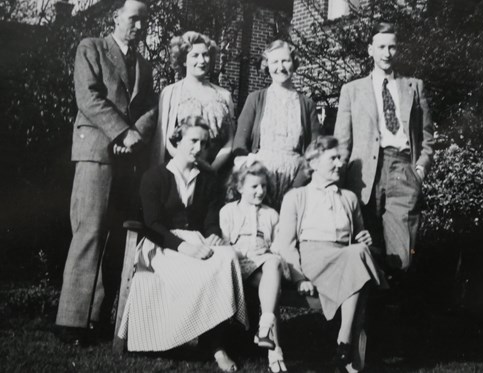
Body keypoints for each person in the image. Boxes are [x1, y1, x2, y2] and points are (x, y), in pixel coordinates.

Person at [56, 0, 157, 345]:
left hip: (128, 158)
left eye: (144, 21)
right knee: (89, 232)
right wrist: (121, 132)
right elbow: (89, 97)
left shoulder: (146, 64)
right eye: (134, 19)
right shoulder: (92, 48)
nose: (139, 27)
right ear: (115, 17)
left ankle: (97, 318)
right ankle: (71, 322)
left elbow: (150, 108)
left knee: (116, 241)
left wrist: (135, 138)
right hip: (96, 153)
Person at [117, 118, 247, 373]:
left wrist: (212, 236)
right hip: (162, 244)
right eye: (193, 141)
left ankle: (219, 338)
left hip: (196, 239)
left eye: (204, 143)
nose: (199, 148)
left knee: (228, 256)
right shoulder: (154, 176)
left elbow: (211, 220)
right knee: (203, 270)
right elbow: (152, 223)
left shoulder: (208, 179)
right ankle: (215, 347)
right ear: (177, 141)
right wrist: (182, 247)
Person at [275, 136, 385, 373]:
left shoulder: (349, 198)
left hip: (345, 257)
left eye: (341, 159)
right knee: (358, 259)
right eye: (333, 158)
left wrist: (363, 236)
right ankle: (347, 344)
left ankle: (343, 345)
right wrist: (299, 277)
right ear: (313, 163)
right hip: (314, 260)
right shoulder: (296, 197)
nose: (339, 164)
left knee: (359, 252)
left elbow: (357, 235)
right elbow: (286, 244)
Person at [333, 21, 434, 275]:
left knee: (402, 256)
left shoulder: (414, 86)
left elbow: (428, 137)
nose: (387, 53)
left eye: (392, 47)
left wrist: (419, 169)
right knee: (365, 246)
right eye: (381, 47)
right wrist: (338, 182)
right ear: (370, 50)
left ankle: (394, 308)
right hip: (364, 174)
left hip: (403, 169)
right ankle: (367, 311)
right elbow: (342, 142)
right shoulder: (351, 91)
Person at [233, 40, 322, 210]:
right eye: (275, 62)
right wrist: (255, 176)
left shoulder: (307, 104)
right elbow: (239, 145)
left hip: (296, 180)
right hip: (260, 181)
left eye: (285, 61)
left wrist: (298, 184)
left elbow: (315, 150)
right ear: (267, 65)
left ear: (294, 63)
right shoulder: (255, 99)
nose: (280, 67)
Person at [220, 157, 288, 373]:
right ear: (239, 187)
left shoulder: (271, 214)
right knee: (272, 283)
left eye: (264, 186)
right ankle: (274, 351)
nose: (260, 191)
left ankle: (266, 327)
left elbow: (278, 246)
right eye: (254, 186)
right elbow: (224, 244)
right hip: (238, 263)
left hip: (264, 264)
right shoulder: (228, 212)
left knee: (273, 265)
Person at [151, 31, 235, 174]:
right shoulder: (171, 93)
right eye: (195, 55)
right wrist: (190, 162)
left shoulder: (224, 96)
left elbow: (230, 139)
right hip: (180, 170)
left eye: (206, 55)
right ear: (183, 60)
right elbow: (163, 139)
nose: (202, 61)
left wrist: (212, 168)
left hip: (216, 172)